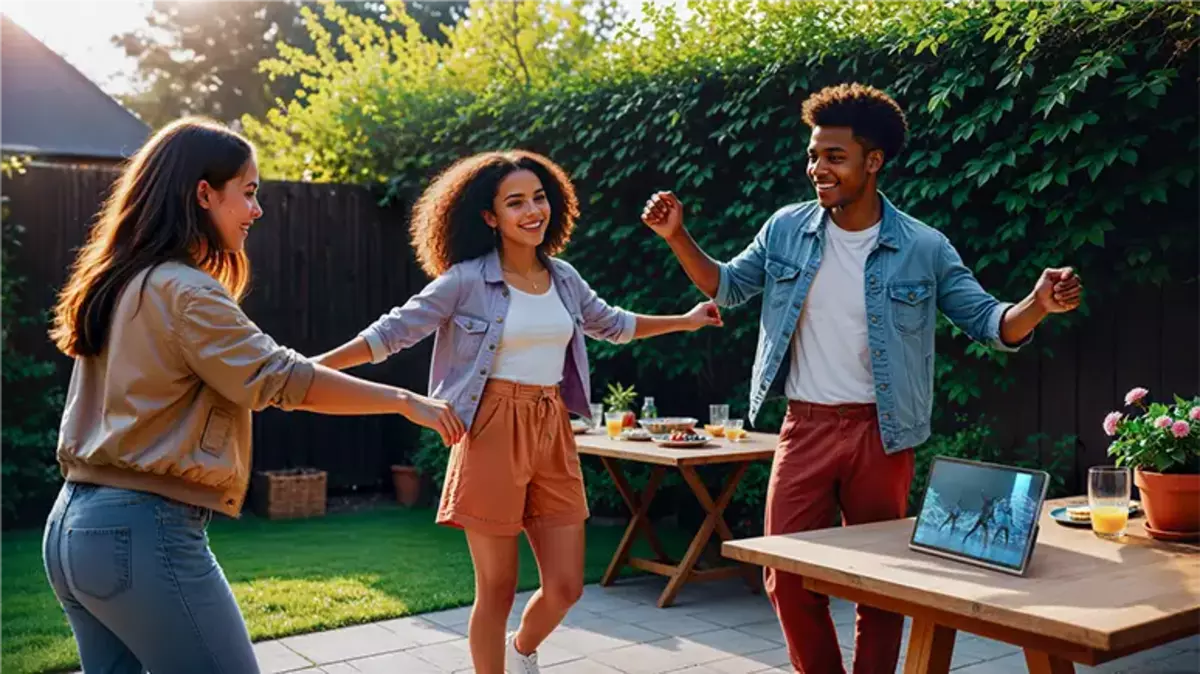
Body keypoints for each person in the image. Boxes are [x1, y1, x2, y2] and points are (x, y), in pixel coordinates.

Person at [641, 82, 1083, 673]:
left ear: (872, 162)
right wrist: (678, 238)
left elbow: (988, 321)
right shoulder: (784, 230)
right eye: (813, 155)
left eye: (833, 157)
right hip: (805, 428)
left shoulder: (923, 246)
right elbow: (726, 286)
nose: (816, 168)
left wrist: (1036, 305)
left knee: (884, 588)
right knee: (786, 578)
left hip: (883, 434)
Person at [41, 117, 464, 674]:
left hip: (72, 526)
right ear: (203, 194)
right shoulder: (185, 290)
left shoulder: (119, 282)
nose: (256, 210)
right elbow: (281, 380)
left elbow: (267, 373)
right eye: (248, 193)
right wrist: (406, 401)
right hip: (143, 530)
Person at [314, 149, 722, 674]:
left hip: (552, 426)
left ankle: (522, 649)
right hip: (488, 428)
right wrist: (311, 368)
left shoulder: (565, 278)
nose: (533, 211)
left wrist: (685, 320)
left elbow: (613, 324)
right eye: (515, 203)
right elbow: (391, 333)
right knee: (498, 588)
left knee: (567, 587)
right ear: (490, 216)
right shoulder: (464, 281)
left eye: (538, 198)